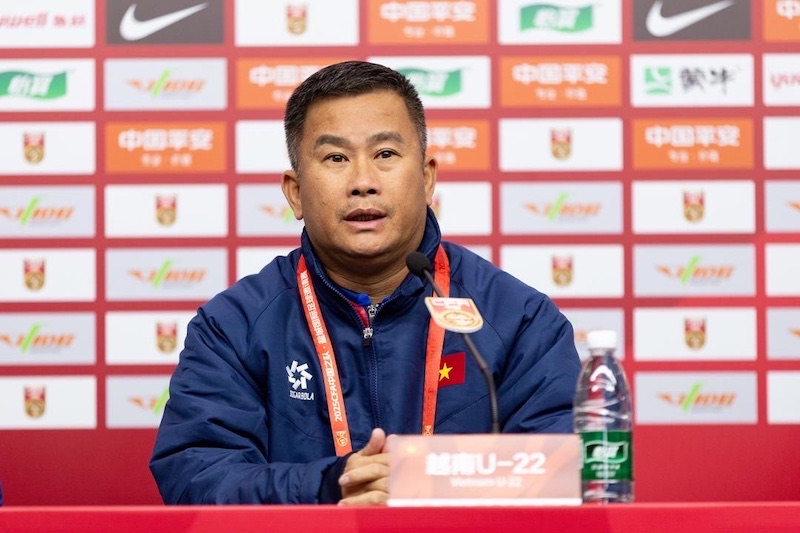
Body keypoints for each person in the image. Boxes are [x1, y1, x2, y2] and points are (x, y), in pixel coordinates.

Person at [149, 60, 581, 506]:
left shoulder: (519, 319)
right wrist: (328, 485)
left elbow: (566, 469)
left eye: (386, 155)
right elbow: (196, 476)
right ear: (295, 192)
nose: (363, 182)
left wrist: (423, 485)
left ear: (427, 177)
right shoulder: (234, 326)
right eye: (336, 158)